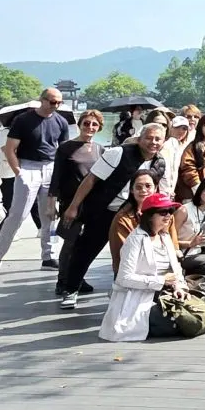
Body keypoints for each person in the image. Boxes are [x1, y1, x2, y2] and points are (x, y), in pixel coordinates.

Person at [58, 123, 167, 309]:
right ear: (139, 138)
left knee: (131, 253)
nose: (153, 142)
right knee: (85, 250)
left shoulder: (160, 163)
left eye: (158, 139)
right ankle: (70, 289)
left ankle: (123, 290)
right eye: (149, 138)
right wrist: (73, 207)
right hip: (104, 210)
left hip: (133, 214)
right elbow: (91, 179)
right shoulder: (118, 153)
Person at [98, 193, 189, 342]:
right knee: (178, 323)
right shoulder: (135, 240)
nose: (168, 215)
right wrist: (161, 280)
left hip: (166, 293)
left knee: (193, 315)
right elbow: (124, 278)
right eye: (163, 212)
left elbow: (176, 269)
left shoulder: (165, 237)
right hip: (140, 299)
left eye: (170, 211)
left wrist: (179, 287)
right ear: (150, 216)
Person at [0, 87, 70, 271]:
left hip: (51, 167)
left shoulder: (61, 122)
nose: (56, 105)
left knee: (50, 215)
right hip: (27, 166)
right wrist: (18, 172)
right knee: (17, 215)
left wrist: (61, 176)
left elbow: (63, 152)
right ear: (42, 100)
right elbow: (9, 149)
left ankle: (49, 257)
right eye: (52, 102)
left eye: (59, 102)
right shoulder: (23, 120)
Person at [48, 109, 105, 295]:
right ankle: (62, 280)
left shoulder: (100, 149)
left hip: (93, 203)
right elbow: (56, 177)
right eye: (86, 123)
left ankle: (77, 278)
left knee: (85, 244)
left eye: (94, 124)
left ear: (99, 127)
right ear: (80, 125)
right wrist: (51, 204)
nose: (90, 127)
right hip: (70, 202)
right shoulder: (65, 148)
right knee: (71, 242)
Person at [108, 169, 179, 274]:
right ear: (131, 190)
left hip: (166, 270)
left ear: (156, 188)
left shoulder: (167, 214)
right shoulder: (122, 219)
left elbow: (174, 247)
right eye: (138, 187)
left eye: (148, 186)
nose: (143, 190)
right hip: (135, 273)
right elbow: (124, 257)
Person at [176, 176, 205, 275]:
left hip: (202, 256)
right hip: (183, 256)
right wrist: (190, 243)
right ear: (201, 188)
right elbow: (168, 240)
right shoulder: (184, 210)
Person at [159, 116, 190, 201]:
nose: (180, 131)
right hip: (164, 192)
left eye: (184, 129)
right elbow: (167, 170)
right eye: (177, 127)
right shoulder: (169, 144)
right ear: (170, 128)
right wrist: (167, 191)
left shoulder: (179, 145)